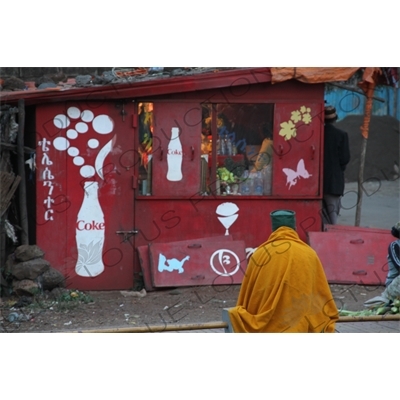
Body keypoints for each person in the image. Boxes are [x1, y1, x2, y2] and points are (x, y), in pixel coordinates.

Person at [228, 210, 338, 333]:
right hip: (300, 325)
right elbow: (319, 291)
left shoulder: (260, 254)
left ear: (273, 229)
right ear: (294, 227)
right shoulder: (309, 254)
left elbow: (249, 292)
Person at [322, 105, 350, 225]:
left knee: (321, 217)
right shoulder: (341, 135)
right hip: (333, 182)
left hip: (316, 183)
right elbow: (345, 158)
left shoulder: (318, 134)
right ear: (335, 119)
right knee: (333, 217)